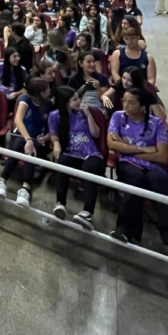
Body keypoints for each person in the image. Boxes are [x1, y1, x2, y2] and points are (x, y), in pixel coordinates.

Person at [107, 88, 168, 270]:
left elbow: (162, 157)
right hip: (127, 164)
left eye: (131, 102)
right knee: (135, 180)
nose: (126, 105)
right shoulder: (118, 117)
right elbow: (112, 144)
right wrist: (144, 149)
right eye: (124, 101)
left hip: (153, 166)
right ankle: (125, 229)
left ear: (142, 106)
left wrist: (127, 147)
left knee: (162, 184)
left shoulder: (157, 124)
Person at [50, 86, 106, 229]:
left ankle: (87, 213)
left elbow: (96, 134)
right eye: (75, 99)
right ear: (65, 102)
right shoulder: (55, 116)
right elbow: (53, 134)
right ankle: (60, 203)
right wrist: (56, 143)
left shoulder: (83, 113)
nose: (79, 101)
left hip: (91, 155)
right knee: (62, 162)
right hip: (72, 154)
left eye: (78, 98)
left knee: (88, 168)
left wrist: (89, 115)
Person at [0, 78, 53, 204]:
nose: (50, 90)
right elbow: (18, 121)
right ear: (41, 93)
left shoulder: (49, 105)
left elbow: (52, 128)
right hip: (21, 135)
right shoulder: (25, 99)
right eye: (47, 89)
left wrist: (46, 137)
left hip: (38, 139)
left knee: (31, 149)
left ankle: (25, 189)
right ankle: (2, 182)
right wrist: (28, 140)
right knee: (20, 144)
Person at [0, 47, 27, 111]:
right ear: (8, 58)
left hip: (13, 97)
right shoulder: (0, 66)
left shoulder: (22, 70)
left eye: (18, 56)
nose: (18, 58)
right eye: (14, 57)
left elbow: (26, 89)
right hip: (0, 95)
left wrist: (16, 94)